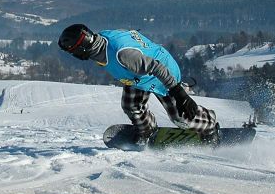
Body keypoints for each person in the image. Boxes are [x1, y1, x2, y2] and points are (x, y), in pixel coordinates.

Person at [57, 24, 219, 144]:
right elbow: (129, 34)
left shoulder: (122, 55)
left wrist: (178, 92)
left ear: (82, 48)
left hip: (162, 74)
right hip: (138, 76)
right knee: (130, 105)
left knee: (180, 118)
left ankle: (209, 125)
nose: (72, 55)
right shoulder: (100, 41)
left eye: (72, 51)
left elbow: (156, 67)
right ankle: (147, 129)